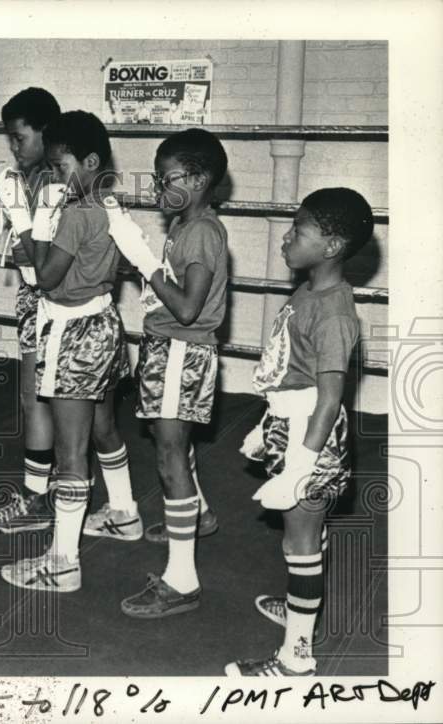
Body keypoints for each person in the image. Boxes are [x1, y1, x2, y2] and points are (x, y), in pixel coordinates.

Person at [225, 188, 373, 677]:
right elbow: (293, 369)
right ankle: (300, 611)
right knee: (302, 535)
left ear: (331, 246)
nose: (286, 237)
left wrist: (300, 467)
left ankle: (295, 661)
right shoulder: (310, 290)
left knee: (300, 545)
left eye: (299, 231)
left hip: (312, 434)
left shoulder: (333, 312)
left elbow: (329, 399)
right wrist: (268, 426)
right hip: (291, 424)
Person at [0, 111, 132, 591]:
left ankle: (63, 563)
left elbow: (46, 278)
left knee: (71, 452)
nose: (53, 176)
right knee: (102, 426)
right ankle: (124, 511)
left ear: (90, 160)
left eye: (59, 166)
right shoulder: (108, 203)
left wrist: (26, 224)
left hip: (73, 332)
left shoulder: (76, 212)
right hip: (104, 323)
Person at [109, 128, 229, 618]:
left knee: (168, 453)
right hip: (171, 348)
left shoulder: (201, 231)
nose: (159, 191)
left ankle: (182, 580)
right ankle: (196, 513)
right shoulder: (187, 223)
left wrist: (144, 261)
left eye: (167, 180)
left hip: (182, 347)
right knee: (176, 444)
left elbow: (186, 308)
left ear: (199, 179)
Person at [0, 87, 65, 535]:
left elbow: (44, 265)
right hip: (36, 300)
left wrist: (20, 215)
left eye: (19, 137)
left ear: (45, 133)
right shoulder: (30, 178)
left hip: (57, 301)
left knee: (44, 400)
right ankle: (114, 503)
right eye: (10, 139)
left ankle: (38, 500)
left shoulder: (56, 183)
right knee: (41, 399)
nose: (14, 147)